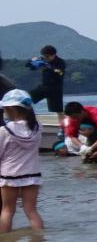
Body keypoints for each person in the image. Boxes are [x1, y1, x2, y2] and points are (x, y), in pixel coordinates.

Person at [1, 89, 46, 231]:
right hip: (32, 173)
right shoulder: (37, 128)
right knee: (31, 210)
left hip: (9, 174)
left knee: (8, 210)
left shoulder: (4, 130)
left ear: (10, 109)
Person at [29, 46, 66, 114]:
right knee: (27, 99)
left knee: (59, 111)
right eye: (44, 56)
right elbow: (31, 68)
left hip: (55, 89)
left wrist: (48, 66)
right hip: (44, 86)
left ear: (53, 55)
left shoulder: (60, 62)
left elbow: (60, 72)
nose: (46, 58)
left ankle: (63, 124)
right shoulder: (43, 60)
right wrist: (32, 62)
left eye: (47, 56)